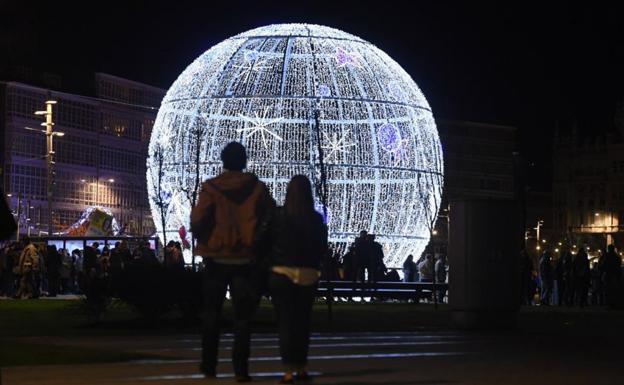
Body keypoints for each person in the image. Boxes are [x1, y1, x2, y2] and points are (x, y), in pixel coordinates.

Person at [190, 141, 275, 381]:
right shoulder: (257, 188)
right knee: (243, 317)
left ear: (223, 161)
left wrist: (208, 238)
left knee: (211, 314)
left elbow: (197, 220)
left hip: (216, 258)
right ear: (244, 161)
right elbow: (270, 216)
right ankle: (241, 369)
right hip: (245, 258)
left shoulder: (211, 187)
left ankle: (209, 365)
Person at [264, 175, 327, 384]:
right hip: (308, 275)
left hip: (282, 273)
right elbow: (321, 249)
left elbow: (266, 241)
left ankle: (289, 370)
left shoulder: (278, 216)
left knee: (286, 324)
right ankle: (302, 367)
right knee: (302, 323)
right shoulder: (317, 219)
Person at [602, 244, 623, 309]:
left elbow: (604, 265)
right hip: (615, 275)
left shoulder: (608, 256)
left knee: (609, 290)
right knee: (614, 290)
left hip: (610, 274)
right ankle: (614, 303)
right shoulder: (616, 257)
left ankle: (611, 304)